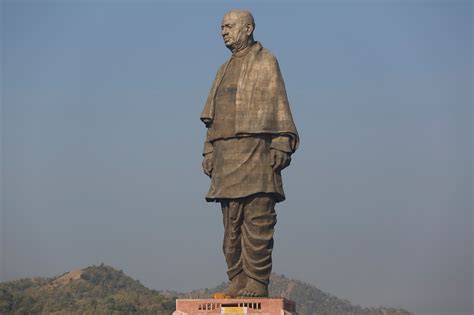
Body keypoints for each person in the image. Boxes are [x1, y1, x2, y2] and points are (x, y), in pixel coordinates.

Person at [200, 9, 299, 297]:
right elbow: (212, 118)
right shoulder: (222, 69)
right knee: (231, 227)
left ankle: (256, 280)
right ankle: (237, 277)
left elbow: (279, 104)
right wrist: (208, 151)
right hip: (225, 154)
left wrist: (281, 141)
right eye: (222, 27)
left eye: (229, 26)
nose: (224, 32)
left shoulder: (266, 61)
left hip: (256, 151)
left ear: (248, 28)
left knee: (258, 219)